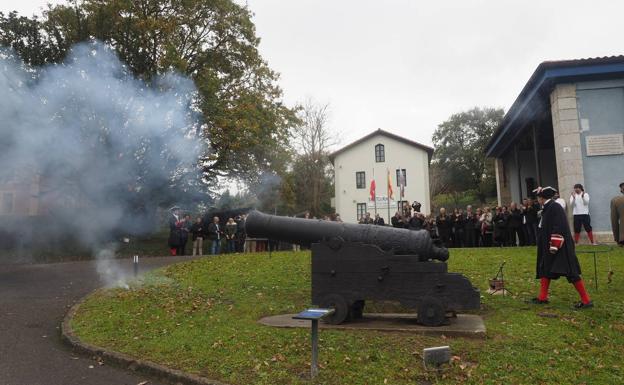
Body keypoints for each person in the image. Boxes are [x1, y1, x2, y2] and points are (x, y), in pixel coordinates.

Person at [530, 187, 593, 308]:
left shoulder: (555, 207)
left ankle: (586, 300)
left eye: (538, 197)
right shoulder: (547, 208)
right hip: (548, 245)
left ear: (542, 198)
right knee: (545, 268)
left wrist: (554, 244)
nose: (537, 200)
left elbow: (559, 226)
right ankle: (542, 297)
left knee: (570, 271)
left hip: (560, 245)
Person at [611, 182, 624, 247]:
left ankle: (620, 241)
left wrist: (617, 239)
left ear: (621, 190)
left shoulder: (616, 200)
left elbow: (614, 221)